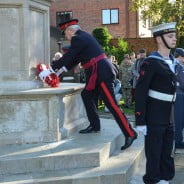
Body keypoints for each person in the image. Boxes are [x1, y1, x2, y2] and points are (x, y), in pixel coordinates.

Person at [49, 19, 137, 150]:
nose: (66, 37)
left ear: (70, 30)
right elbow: (73, 60)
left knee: (111, 104)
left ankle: (130, 133)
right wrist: (56, 71)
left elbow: (70, 56)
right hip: (95, 73)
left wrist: (52, 67)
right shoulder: (82, 38)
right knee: (86, 95)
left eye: (65, 34)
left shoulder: (78, 38)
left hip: (101, 73)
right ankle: (95, 125)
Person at [135, 22, 177, 184]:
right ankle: (153, 179)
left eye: (174, 36)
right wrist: (140, 119)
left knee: (167, 150)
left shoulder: (173, 62)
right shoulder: (151, 62)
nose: (174, 39)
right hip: (154, 114)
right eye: (170, 36)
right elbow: (140, 91)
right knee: (154, 150)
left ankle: (166, 178)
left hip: (169, 114)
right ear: (159, 39)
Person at [174, 48, 184, 149]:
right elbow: (182, 82)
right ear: (180, 56)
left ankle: (177, 138)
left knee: (178, 118)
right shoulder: (178, 66)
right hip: (180, 95)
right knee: (179, 119)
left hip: (177, 94)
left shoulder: (174, 65)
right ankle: (178, 141)